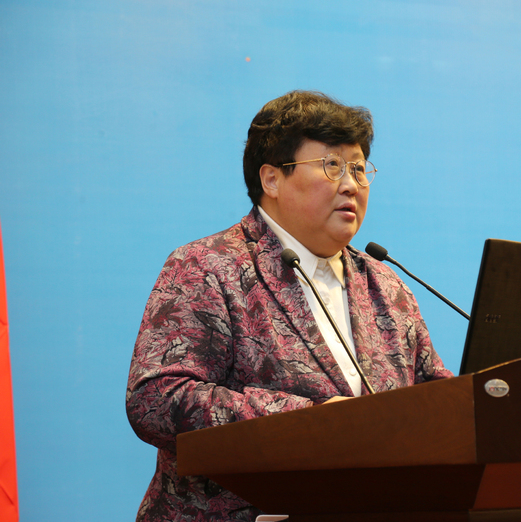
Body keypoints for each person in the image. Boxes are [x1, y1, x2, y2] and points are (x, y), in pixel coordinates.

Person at [126, 91, 453, 522]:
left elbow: (434, 399)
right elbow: (155, 399)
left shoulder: (385, 285)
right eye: (332, 165)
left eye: (359, 168)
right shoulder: (208, 266)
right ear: (272, 179)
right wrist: (310, 423)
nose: (351, 184)